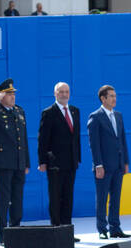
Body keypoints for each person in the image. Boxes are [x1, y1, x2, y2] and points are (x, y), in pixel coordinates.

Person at [0, 79, 29, 247]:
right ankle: (3, 234)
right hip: (3, 162)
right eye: (8, 94)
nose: (12, 97)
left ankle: (16, 230)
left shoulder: (19, 111)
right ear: (1, 96)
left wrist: (26, 162)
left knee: (18, 198)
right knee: (4, 199)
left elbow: (23, 139)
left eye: (13, 94)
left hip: (19, 162)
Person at [88, 84, 131, 240]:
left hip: (118, 164)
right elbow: (94, 144)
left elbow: (123, 140)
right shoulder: (95, 117)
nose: (114, 99)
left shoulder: (118, 116)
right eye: (111, 96)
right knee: (102, 198)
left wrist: (125, 161)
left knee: (115, 198)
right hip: (104, 166)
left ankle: (115, 228)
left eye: (115, 96)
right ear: (103, 98)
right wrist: (98, 165)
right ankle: (102, 229)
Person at [38, 82, 81, 235]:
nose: (64, 94)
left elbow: (76, 138)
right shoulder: (49, 113)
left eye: (66, 91)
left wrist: (78, 157)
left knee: (68, 197)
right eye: (61, 92)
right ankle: (56, 230)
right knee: (56, 197)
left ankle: (67, 231)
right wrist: (42, 161)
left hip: (71, 162)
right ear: (55, 94)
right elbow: (43, 139)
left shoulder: (75, 111)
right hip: (55, 163)